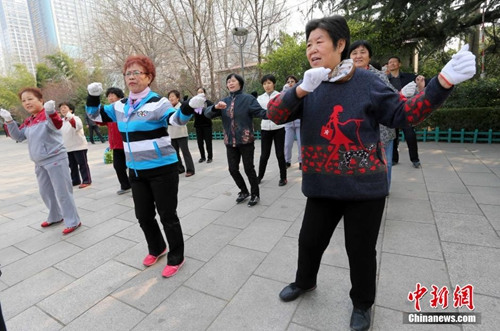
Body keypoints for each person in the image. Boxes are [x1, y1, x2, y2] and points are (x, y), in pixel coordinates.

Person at [267, 15, 475, 331]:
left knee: (360, 250)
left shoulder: (367, 82)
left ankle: (362, 304)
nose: (312, 48)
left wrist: (441, 83)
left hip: (364, 188)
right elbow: (274, 115)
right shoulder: (308, 85)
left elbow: (404, 114)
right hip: (321, 185)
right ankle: (304, 281)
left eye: (319, 41)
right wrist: (298, 91)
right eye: (308, 43)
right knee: (309, 241)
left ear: (340, 45)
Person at [85, 55, 205, 277]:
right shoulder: (119, 106)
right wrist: (93, 96)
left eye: (136, 72)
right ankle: (157, 247)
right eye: (128, 73)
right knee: (143, 215)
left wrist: (187, 107)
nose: (131, 77)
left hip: (162, 169)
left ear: (148, 77)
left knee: (168, 215)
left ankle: (176, 256)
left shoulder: (158, 102)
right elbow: (94, 115)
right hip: (136, 170)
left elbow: (176, 120)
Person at [1, 88, 82, 234]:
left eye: (30, 99)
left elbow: (56, 124)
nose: (27, 103)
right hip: (39, 162)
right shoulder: (29, 120)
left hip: (55, 158)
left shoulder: (47, 115)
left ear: (40, 100)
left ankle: (73, 220)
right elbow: (19, 136)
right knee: (46, 191)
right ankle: (56, 216)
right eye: (24, 100)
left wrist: (51, 112)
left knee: (62, 192)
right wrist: (9, 120)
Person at [204, 73, 267, 207]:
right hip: (230, 141)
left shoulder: (248, 99)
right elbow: (207, 114)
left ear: (240, 83)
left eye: (233, 81)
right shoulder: (224, 102)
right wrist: (215, 107)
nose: (230, 83)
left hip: (245, 140)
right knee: (233, 169)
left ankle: (255, 194)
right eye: (228, 82)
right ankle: (244, 191)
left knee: (249, 168)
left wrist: (276, 113)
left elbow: (260, 112)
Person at [349, 40, 397, 190]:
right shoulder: (343, 76)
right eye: (354, 53)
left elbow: (392, 98)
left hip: (381, 128)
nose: (358, 56)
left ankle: (383, 189)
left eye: (362, 52)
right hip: (356, 129)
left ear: (369, 57)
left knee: (385, 163)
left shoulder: (380, 76)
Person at [387, 55, 421, 168]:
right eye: (390, 62)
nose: (391, 64)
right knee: (393, 136)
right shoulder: (385, 79)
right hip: (392, 111)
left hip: (406, 110)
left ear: (399, 64)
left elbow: (420, 82)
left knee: (410, 135)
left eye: (394, 62)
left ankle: (415, 160)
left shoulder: (409, 77)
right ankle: (394, 159)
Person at [257, 74, 287, 186]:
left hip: (278, 128)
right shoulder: (260, 98)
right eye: (264, 84)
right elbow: (257, 112)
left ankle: (283, 178)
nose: (267, 86)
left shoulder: (280, 96)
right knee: (264, 155)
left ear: (273, 83)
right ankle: (259, 176)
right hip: (265, 129)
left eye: (269, 83)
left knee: (280, 154)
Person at [59, 102, 92, 189]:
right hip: (68, 147)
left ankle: (86, 180)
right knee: (72, 165)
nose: (62, 109)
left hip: (79, 146)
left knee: (82, 164)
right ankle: (75, 180)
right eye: (61, 108)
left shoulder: (76, 118)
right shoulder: (61, 121)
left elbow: (77, 126)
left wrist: (70, 117)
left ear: (71, 109)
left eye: (65, 107)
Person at [105, 87, 131, 195]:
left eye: (112, 95)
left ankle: (137, 186)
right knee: (118, 166)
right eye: (109, 96)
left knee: (132, 166)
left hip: (126, 142)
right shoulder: (108, 111)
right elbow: (100, 121)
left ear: (119, 96)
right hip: (116, 145)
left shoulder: (124, 108)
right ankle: (125, 185)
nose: (110, 98)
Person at [167, 89, 195, 177]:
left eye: (173, 96)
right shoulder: (167, 108)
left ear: (178, 98)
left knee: (185, 152)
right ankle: (180, 168)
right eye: (169, 97)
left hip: (181, 133)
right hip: (171, 134)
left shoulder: (181, 107)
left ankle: (190, 170)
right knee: (175, 153)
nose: (171, 98)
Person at [283, 75, 302, 169]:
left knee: (300, 143)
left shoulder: (300, 92)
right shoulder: (284, 92)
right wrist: (285, 90)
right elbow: (281, 101)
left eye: (292, 81)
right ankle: (287, 161)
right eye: (288, 81)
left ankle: (301, 161)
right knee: (287, 144)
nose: (290, 83)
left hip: (299, 122)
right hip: (288, 123)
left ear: (296, 82)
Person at [193, 87, 214, 163]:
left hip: (207, 125)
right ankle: (202, 157)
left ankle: (210, 157)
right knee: (199, 142)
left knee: (208, 142)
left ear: (204, 93)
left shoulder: (208, 102)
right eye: (198, 92)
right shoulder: (194, 103)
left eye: (201, 92)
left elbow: (213, 111)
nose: (200, 93)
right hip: (198, 125)